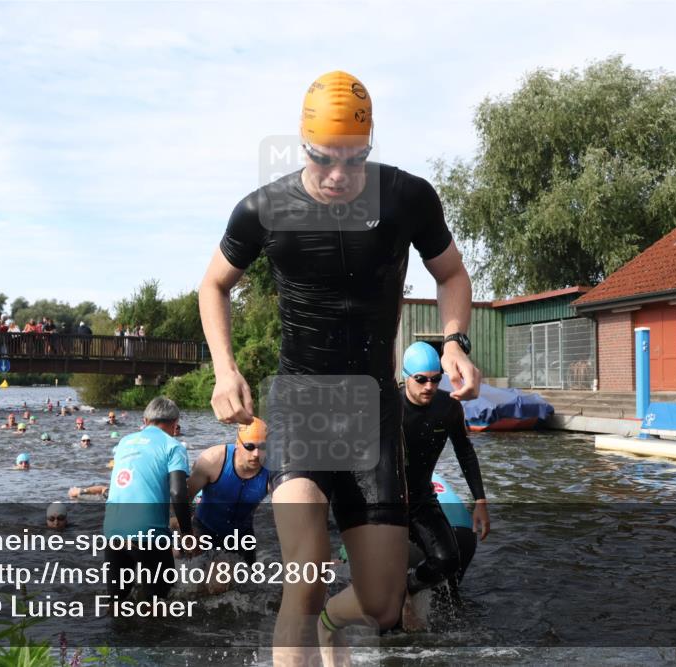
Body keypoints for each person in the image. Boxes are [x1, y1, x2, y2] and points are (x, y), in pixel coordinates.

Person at [198, 70, 481, 662]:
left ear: (371, 145)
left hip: (373, 409)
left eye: (355, 160)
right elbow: (213, 285)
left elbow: (451, 273)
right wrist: (225, 369)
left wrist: (455, 342)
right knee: (306, 574)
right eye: (324, 158)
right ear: (303, 144)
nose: (338, 175)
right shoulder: (264, 209)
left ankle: (333, 625)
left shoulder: (407, 197)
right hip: (303, 404)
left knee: (381, 604)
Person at [400, 342, 489, 620]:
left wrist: (480, 501)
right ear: (406, 377)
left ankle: (409, 588)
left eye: (436, 379)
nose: (429, 386)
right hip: (385, 501)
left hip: (421, 499)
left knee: (448, 561)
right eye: (421, 380)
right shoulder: (387, 407)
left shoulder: (447, 407)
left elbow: (465, 452)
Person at [101, 396, 192, 604]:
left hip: (113, 531)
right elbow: (178, 493)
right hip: (149, 535)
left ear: (145, 420)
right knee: (159, 603)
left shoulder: (124, 442)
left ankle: (113, 636)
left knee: (117, 603)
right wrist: (187, 534)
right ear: (175, 422)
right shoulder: (173, 446)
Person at [187, 418, 270, 565]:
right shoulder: (213, 460)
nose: (256, 454)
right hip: (204, 530)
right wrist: (187, 532)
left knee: (249, 584)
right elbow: (182, 499)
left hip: (243, 538)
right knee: (207, 584)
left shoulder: (272, 472)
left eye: (263, 447)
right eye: (249, 446)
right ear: (238, 443)